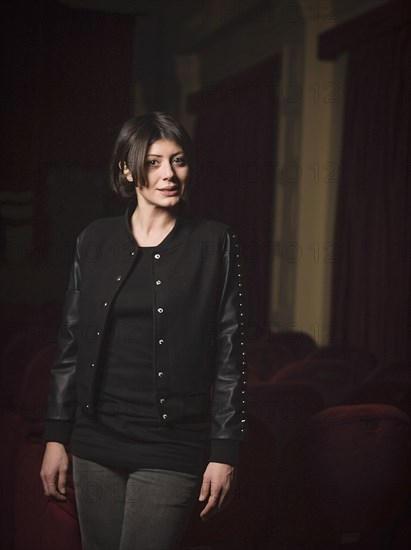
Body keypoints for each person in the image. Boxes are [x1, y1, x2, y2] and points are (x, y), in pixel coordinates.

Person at [40, 111, 247, 550]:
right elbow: (71, 342)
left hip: (171, 444)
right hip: (96, 439)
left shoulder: (215, 241)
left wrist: (225, 450)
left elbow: (231, 353)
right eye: (153, 162)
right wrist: (57, 434)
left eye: (179, 160)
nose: (169, 174)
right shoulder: (93, 239)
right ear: (127, 169)